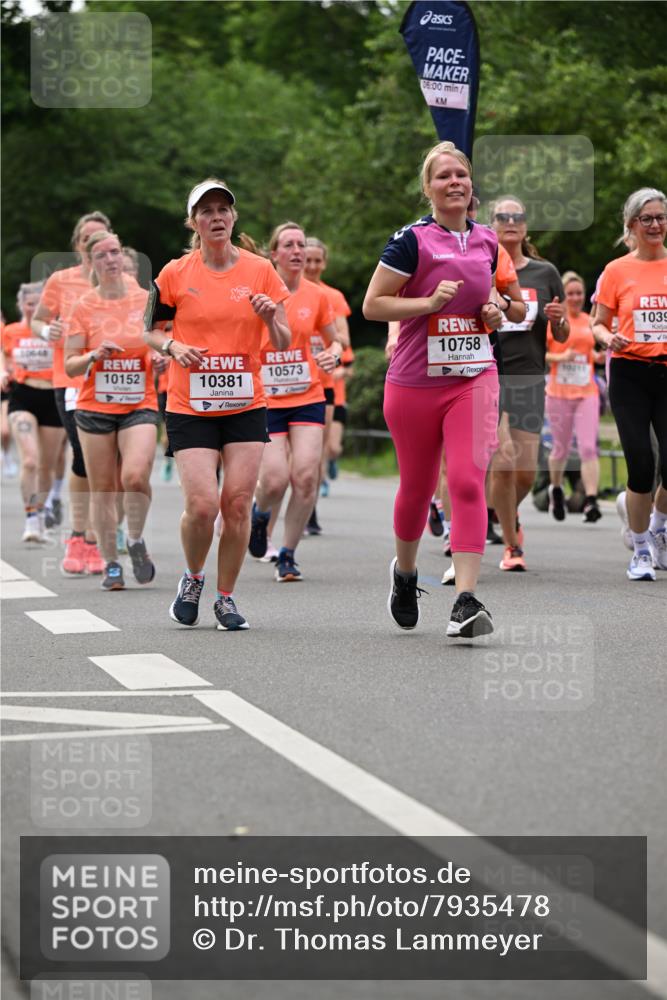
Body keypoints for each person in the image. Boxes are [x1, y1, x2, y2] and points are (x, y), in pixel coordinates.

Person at [363, 140, 504, 638]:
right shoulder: (411, 241)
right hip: (415, 382)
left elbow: (499, 304)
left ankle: (465, 600)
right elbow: (373, 305)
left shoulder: (488, 240)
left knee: (467, 480)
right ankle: (404, 574)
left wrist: (495, 312)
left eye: (461, 175)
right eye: (444, 176)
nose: (455, 183)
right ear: (428, 188)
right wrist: (424, 303)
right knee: (418, 489)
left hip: (474, 376)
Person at [144, 178, 291, 629]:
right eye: (206, 211)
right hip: (191, 404)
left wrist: (269, 318)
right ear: (194, 222)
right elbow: (149, 330)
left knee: (238, 503)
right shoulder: (175, 273)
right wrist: (172, 349)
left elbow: (283, 341)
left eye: (223, 210)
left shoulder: (261, 270)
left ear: (234, 217)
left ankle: (225, 597)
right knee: (204, 505)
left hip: (246, 402)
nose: (216, 217)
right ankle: (192, 578)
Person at [65, 230, 160, 590]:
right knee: (103, 489)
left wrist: (160, 357)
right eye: (102, 254)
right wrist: (92, 355)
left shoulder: (145, 299)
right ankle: (110, 565)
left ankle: (134, 539)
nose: (111, 259)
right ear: (91, 262)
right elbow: (71, 365)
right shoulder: (83, 306)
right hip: (94, 407)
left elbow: (160, 340)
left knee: (135, 477)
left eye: (115, 252)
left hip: (139, 403)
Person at [249, 222, 341, 581]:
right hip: (266, 398)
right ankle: (260, 515)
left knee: (305, 477)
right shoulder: (257, 293)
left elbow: (334, 341)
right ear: (274, 254)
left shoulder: (318, 295)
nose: (298, 251)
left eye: (301, 244)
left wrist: (332, 354)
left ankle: (287, 554)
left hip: (307, 396)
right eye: (288, 245)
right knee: (274, 480)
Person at [489, 196, 569, 571]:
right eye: (502, 216)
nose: (510, 221)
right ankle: (511, 547)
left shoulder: (544, 272)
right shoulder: (481, 266)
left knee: (525, 473)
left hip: (530, 378)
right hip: (488, 374)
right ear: (491, 225)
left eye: (517, 216)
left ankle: (507, 514)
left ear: (525, 226)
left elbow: (564, 334)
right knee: (502, 461)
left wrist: (558, 320)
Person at [592, 187, 667, 580]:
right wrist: (609, 339)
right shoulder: (617, 270)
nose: (655, 225)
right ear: (632, 225)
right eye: (647, 219)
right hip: (630, 373)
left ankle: (657, 528)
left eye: (660, 217)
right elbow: (598, 323)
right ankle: (639, 549)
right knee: (641, 463)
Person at [32, 211, 111, 574]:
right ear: (78, 246)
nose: (95, 246)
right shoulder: (61, 281)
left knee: (113, 465)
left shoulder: (123, 283)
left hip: (114, 384)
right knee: (83, 457)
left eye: (102, 239)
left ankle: (101, 534)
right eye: (87, 240)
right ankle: (82, 536)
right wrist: (45, 331)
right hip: (72, 382)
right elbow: (38, 318)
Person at [2, 282, 67, 542]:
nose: (34, 308)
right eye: (30, 304)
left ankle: (41, 512)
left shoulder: (56, 331)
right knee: (29, 459)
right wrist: (3, 371)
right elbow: (3, 357)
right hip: (23, 396)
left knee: (46, 465)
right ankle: (30, 518)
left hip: (52, 397)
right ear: (21, 306)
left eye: (39, 304)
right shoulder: (10, 331)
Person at [545, 271, 605, 523]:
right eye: (570, 293)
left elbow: (590, 350)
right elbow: (542, 355)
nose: (576, 297)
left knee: (588, 447)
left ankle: (591, 501)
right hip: (559, 392)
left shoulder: (589, 320)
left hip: (586, 392)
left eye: (579, 293)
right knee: (560, 448)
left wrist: (597, 358)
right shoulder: (553, 321)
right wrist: (561, 358)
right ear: (563, 296)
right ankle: (556, 489)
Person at [303, 236, 351, 510]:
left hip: (323, 384)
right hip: (285, 386)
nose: (311, 266)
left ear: (324, 263)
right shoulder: (282, 291)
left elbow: (343, 338)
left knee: (318, 453)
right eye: (307, 259)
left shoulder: (332, 297)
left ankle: (309, 512)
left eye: (317, 260)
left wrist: (326, 340)